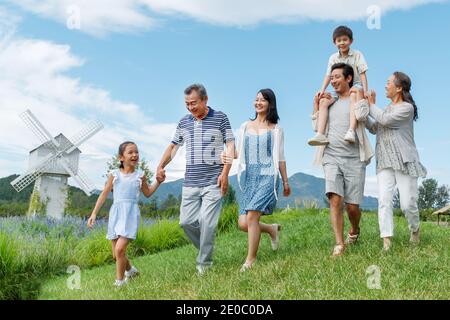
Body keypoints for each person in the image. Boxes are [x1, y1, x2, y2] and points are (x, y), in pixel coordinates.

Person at [156, 84, 235, 275]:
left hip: (213, 180)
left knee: (208, 223)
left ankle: (204, 265)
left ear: (205, 99)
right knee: (186, 222)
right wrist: (160, 165)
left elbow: (231, 145)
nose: (190, 108)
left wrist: (225, 173)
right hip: (190, 181)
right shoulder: (184, 122)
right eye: (187, 104)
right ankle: (205, 247)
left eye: (194, 103)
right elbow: (173, 147)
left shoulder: (220, 118)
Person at [312, 63, 374, 257]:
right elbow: (317, 128)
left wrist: (363, 97)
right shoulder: (330, 102)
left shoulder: (356, 98)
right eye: (331, 78)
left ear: (348, 79)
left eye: (337, 77)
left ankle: (354, 230)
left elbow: (364, 116)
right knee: (335, 199)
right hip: (331, 156)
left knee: (352, 207)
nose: (333, 81)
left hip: (355, 158)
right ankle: (339, 243)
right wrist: (317, 105)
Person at [87, 141, 163, 287]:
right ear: (121, 157)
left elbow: (147, 193)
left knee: (120, 249)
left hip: (130, 215)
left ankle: (119, 282)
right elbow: (103, 194)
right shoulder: (114, 175)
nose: (135, 155)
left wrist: (158, 182)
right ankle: (131, 271)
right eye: (130, 152)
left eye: (136, 152)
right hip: (116, 214)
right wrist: (94, 214)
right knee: (117, 255)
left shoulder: (140, 176)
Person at [231, 89, 291, 272]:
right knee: (244, 224)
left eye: (263, 100)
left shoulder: (276, 130)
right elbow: (237, 153)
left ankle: (250, 260)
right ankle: (271, 229)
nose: (258, 103)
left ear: (270, 104)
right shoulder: (244, 127)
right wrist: (224, 152)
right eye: (256, 99)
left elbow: (280, 158)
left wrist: (286, 182)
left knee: (251, 216)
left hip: (268, 176)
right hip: (250, 177)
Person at [366, 72, 426, 251]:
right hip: (384, 160)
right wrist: (363, 115)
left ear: (398, 88)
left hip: (404, 161)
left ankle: (414, 229)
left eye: (388, 83)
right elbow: (375, 127)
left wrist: (371, 105)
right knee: (384, 200)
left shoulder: (406, 108)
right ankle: (387, 240)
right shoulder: (386, 108)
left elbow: (384, 119)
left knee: (407, 204)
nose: (386, 86)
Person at [308, 25, 369, 146]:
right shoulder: (333, 57)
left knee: (352, 96)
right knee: (324, 101)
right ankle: (320, 134)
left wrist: (365, 91)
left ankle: (351, 130)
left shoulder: (357, 55)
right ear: (334, 42)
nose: (342, 43)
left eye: (345, 40)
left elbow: (362, 73)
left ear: (351, 41)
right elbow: (328, 75)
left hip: (355, 84)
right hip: (338, 88)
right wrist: (322, 90)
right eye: (339, 40)